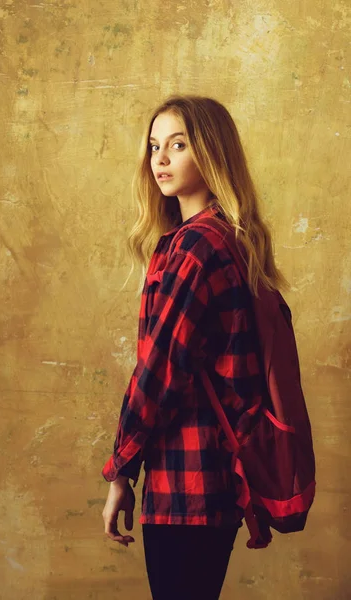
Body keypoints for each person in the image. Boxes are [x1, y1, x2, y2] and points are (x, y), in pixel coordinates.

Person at [101, 94, 290, 600]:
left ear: (211, 152)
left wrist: (121, 470)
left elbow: (158, 370)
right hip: (216, 483)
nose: (159, 159)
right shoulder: (228, 238)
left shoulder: (196, 246)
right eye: (154, 146)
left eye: (177, 145)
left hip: (187, 486)